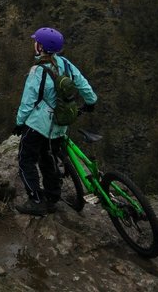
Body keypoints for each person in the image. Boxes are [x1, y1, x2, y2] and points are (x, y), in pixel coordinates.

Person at [13, 27, 97, 216]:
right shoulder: (66, 64)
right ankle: (52, 197)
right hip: (60, 126)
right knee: (48, 160)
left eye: (36, 41)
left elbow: (27, 102)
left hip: (37, 127)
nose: (34, 43)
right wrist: (91, 102)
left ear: (41, 47)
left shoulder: (37, 71)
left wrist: (19, 123)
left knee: (25, 160)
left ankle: (36, 200)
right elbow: (83, 84)